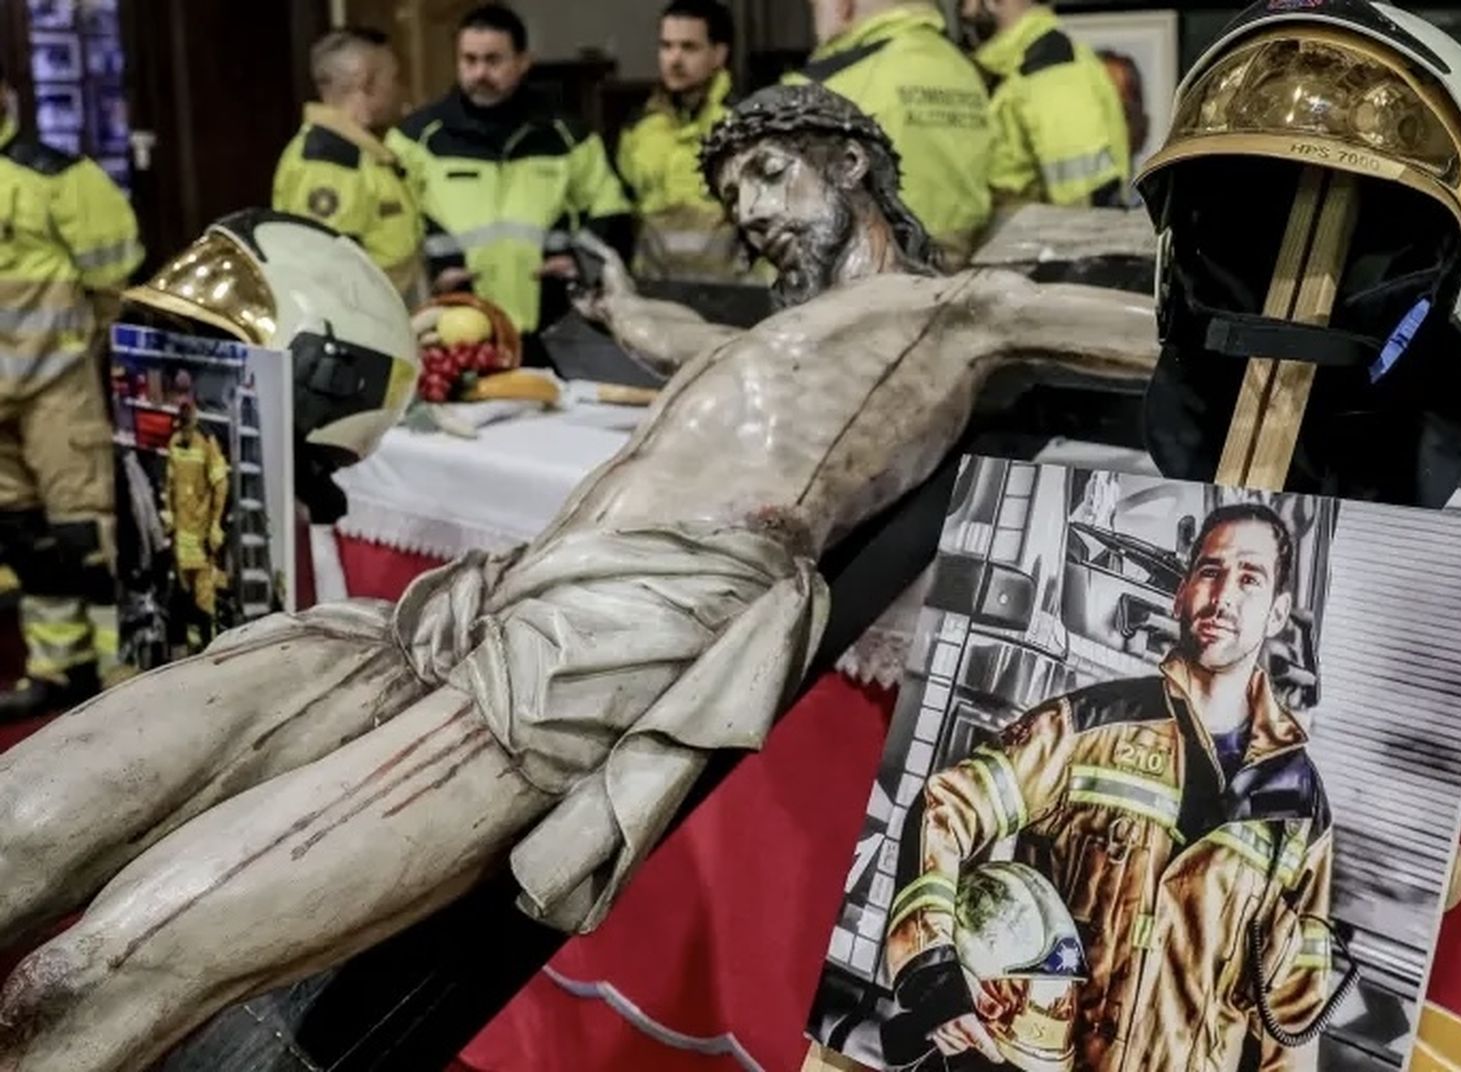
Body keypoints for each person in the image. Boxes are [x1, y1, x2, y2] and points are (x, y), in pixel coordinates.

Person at [0, 84, 1161, 1072]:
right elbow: (659, 330)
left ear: (851, 162)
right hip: (470, 609)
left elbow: (1153, 328)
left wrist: (1251, 293)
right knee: (27, 821)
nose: (752, 213)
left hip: (581, 653)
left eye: (768, 175)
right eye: (735, 194)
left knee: (95, 974)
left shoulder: (955, 309)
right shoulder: (757, 341)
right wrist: (606, 298)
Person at [888, 503, 1335, 1071]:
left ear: (1277, 613)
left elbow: (1295, 1006)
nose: (1223, 596)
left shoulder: (1298, 802)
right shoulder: (1086, 728)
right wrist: (935, 975)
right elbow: (947, 806)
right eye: (1209, 571)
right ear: (1181, 595)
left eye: (1249, 578)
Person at [0, 61, 142, 720]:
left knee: (88, 534)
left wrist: (87, 343)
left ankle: (121, 671)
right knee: (21, 537)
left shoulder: (58, 177)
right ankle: (58, 666)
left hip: (55, 385)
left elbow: (114, 274)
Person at [387, 3, 633, 361]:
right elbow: (393, 231)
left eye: (493, 60)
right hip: (452, 328)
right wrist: (430, 275)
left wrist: (577, 262)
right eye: (469, 60)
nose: (479, 72)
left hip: (553, 327)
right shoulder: (415, 141)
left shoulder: (566, 137)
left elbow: (612, 211)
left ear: (523, 61)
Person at [789, 0, 992, 266]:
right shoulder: (964, 70)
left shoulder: (820, 88)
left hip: (866, 279)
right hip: (959, 270)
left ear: (842, 6)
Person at [272, 27, 424, 304]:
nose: (400, 89)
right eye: (394, 78)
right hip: (363, 324)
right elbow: (328, 278)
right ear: (367, 83)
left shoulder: (363, 154)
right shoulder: (330, 160)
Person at [616, 0, 752, 283]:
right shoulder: (638, 129)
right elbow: (622, 214)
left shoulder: (746, 126)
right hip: (653, 293)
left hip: (733, 294)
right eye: (667, 46)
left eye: (689, 47)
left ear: (719, 54)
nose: (675, 59)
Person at [958, 0, 1129, 218]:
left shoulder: (1049, 71)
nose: (964, 11)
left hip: (1040, 236)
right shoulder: (1016, 68)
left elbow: (1083, 204)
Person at [161, 397, 230, 651]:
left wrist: (216, 524)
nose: (185, 431)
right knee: (183, 595)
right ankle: (192, 650)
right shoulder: (174, 443)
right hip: (181, 535)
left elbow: (220, 484)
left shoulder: (207, 444)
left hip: (201, 535)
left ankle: (209, 649)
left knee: (204, 598)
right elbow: (169, 484)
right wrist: (168, 512)